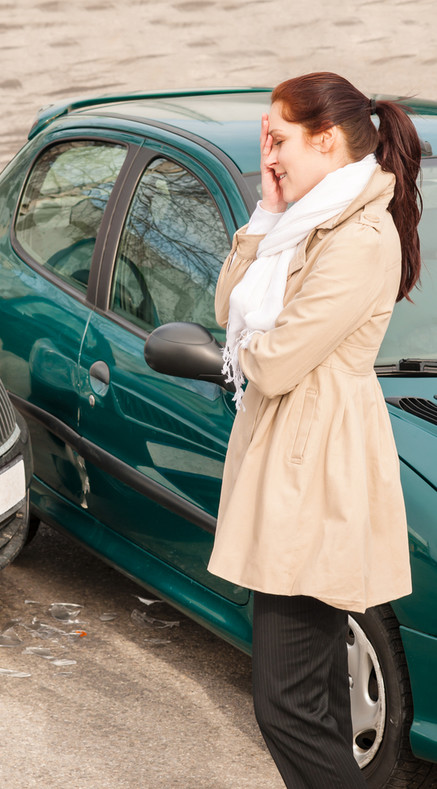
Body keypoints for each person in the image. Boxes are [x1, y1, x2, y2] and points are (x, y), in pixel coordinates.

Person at [210, 72, 421, 787]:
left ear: (325, 140)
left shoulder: (358, 236)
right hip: (292, 466)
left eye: (278, 139)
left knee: (284, 702)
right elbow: (226, 306)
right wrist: (263, 214)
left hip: (315, 476)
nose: (266, 153)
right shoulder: (304, 221)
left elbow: (272, 362)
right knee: (319, 695)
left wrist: (244, 349)